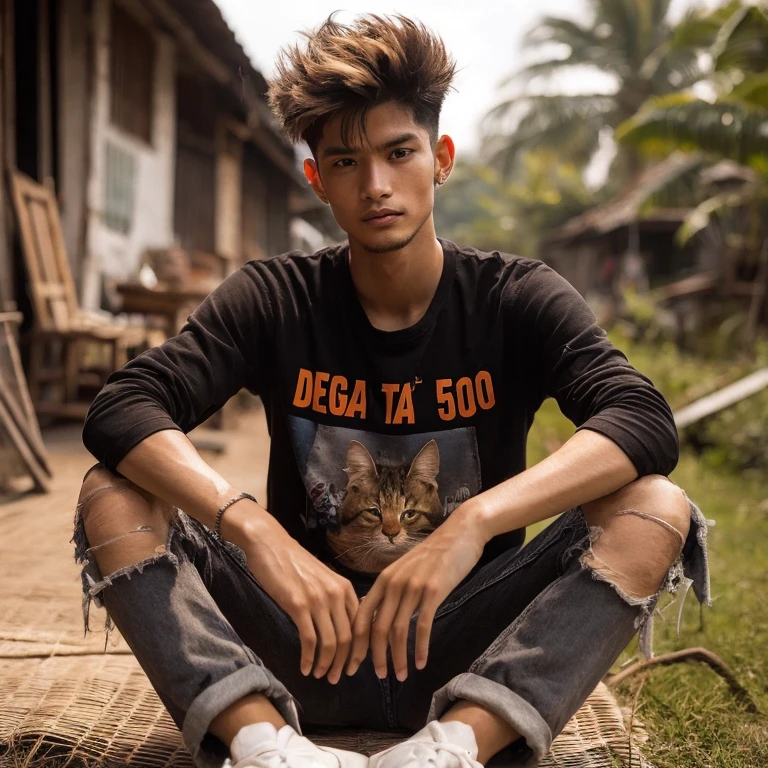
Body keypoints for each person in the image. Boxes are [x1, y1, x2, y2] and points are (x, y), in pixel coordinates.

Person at [75, 14, 711, 768]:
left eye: (398, 152)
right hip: (295, 645)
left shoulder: (515, 297)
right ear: (316, 179)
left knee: (656, 505)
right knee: (111, 492)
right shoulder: (274, 297)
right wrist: (254, 528)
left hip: (465, 648)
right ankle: (264, 745)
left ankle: (453, 747)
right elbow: (123, 406)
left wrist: (470, 522)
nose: (375, 185)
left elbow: (641, 416)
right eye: (344, 162)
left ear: (439, 158)